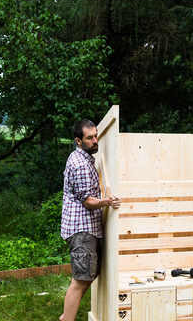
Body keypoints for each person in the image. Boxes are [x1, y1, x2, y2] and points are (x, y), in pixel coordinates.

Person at [60, 119, 121, 321]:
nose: (95, 141)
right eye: (89, 138)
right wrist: (108, 201)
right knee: (81, 280)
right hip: (81, 230)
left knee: (87, 275)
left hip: (88, 228)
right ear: (78, 141)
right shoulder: (80, 165)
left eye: (95, 136)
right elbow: (87, 201)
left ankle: (66, 317)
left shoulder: (84, 158)